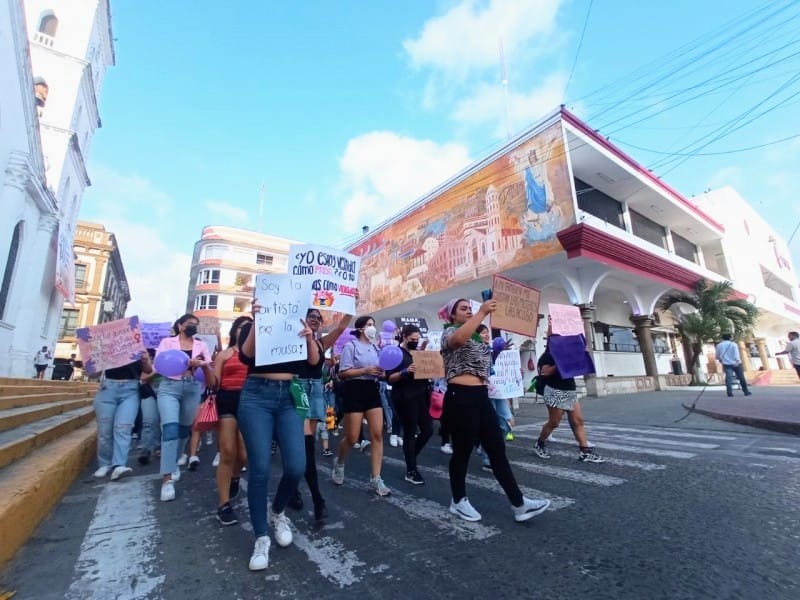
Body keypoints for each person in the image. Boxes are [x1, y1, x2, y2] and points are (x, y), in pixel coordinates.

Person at [439, 298, 550, 522]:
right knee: (462, 451)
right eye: (463, 309)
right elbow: (458, 340)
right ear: (452, 316)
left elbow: (485, 369)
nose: (469, 311)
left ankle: (518, 504)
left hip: (481, 396)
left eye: (470, 308)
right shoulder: (449, 332)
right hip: (460, 396)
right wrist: (481, 313)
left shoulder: (478, 338)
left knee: (497, 449)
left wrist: (496, 352)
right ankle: (458, 501)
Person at [236, 302, 319, 571]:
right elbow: (246, 357)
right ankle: (261, 537)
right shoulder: (253, 323)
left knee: (297, 465)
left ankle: (278, 512)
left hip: (290, 395)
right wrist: (258, 322)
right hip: (257, 394)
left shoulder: (301, 326)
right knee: (259, 468)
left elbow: (314, 362)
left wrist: (309, 337)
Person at [291, 308, 351, 520]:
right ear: (302, 319)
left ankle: (299, 490)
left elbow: (342, 327)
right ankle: (311, 496)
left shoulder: (321, 343)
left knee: (309, 444)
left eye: (318, 318)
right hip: (297, 389)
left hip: (315, 390)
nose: (315, 320)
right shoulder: (291, 343)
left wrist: (350, 306)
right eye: (311, 317)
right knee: (301, 445)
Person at [155, 314, 215, 502]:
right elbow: (159, 364)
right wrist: (183, 363)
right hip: (169, 388)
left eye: (195, 325)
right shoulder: (167, 342)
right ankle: (167, 479)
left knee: (183, 429)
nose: (193, 328)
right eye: (190, 324)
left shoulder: (201, 345)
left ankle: (174, 461)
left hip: (192, 388)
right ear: (180, 326)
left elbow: (209, 367)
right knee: (170, 429)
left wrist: (201, 365)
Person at [332, 316, 390, 496]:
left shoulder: (375, 348)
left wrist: (381, 373)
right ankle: (340, 462)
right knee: (352, 437)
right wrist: (365, 370)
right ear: (360, 329)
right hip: (354, 390)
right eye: (369, 325)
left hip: (372, 390)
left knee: (377, 434)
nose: (373, 328)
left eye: (374, 324)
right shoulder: (351, 346)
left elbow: (382, 370)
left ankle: (376, 478)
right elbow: (343, 373)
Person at [532, 330, 604, 463]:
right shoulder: (547, 356)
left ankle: (585, 451)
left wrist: (583, 353)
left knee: (578, 420)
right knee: (554, 422)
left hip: (570, 390)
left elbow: (579, 364)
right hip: (555, 391)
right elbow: (545, 372)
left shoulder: (567, 354)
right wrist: (559, 363)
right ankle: (540, 443)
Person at [211, 316, 252, 526]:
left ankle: (235, 477)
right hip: (227, 400)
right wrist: (204, 369)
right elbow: (215, 383)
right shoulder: (224, 355)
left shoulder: (255, 355)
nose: (246, 331)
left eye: (250, 328)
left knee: (243, 455)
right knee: (227, 451)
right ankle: (224, 504)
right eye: (243, 327)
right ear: (235, 330)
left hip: (250, 402)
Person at [92, 350, 153, 481]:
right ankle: (105, 464)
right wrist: (98, 359)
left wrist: (146, 360)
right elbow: (93, 374)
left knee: (124, 427)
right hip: (108, 388)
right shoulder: (106, 343)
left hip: (131, 390)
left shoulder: (137, 344)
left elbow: (148, 370)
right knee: (105, 429)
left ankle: (119, 465)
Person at [386, 324, 434, 485]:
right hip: (404, 397)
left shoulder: (417, 353)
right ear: (405, 336)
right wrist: (405, 372)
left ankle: (411, 455)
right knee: (410, 431)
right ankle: (411, 470)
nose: (415, 341)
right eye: (413, 339)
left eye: (417, 339)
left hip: (421, 395)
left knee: (428, 430)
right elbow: (390, 378)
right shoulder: (395, 353)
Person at [715, 333, 752, 397]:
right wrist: (737, 361)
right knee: (741, 378)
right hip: (736, 363)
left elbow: (717, 356)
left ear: (722, 338)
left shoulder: (719, 345)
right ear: (730, 338)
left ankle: (729, 392)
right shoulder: (733, 344)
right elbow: (736, 354)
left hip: (726, 364)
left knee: (729, 378)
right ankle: (746, 391)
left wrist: (720, 359)